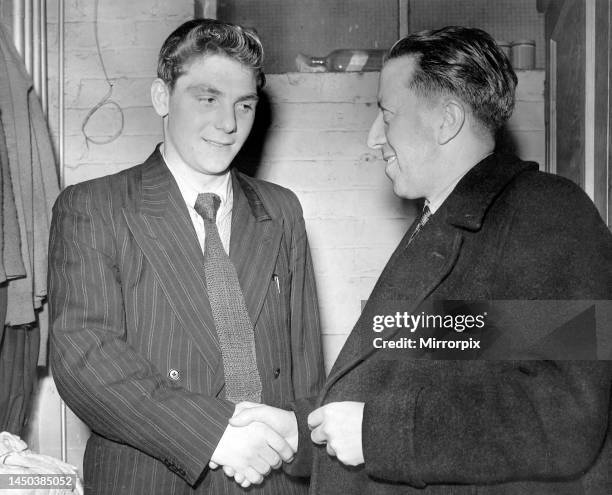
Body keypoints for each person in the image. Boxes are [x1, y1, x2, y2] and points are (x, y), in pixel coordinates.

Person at [230, 26, 612, 494]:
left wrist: (376, 433)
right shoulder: (443, 221)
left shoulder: (546, 212)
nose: (374, 138)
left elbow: (562, 415)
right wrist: (300, 431)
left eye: (387, 115)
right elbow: (415, 376)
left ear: (445, 121)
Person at [48, 18, 324, 494]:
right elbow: (84, 357)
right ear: (162, 97)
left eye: (244, 105)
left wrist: (303, 450)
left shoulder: (282, 210)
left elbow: (307, 362)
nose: (229, 124)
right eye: (208, 98)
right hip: (152, 479)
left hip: (274, 479)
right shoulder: (93, 206)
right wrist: (213, 434)